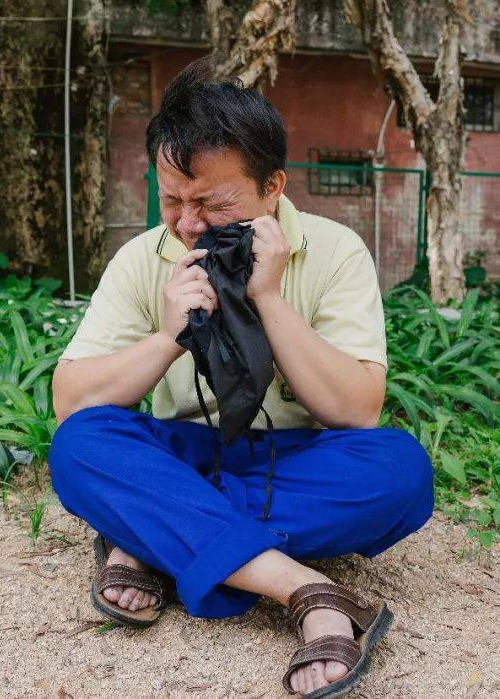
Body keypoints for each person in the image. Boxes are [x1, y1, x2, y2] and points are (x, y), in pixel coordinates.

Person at [48, 57, 432, 697]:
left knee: (401, 471)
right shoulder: (142, 257)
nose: (189, 223)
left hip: (297, 456)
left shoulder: (335, 252)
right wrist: (168, 335)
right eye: (173, 199)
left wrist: (272, 302)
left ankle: (154, 532)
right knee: (82, 447)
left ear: (274, 185)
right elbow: (74, 405)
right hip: (189, 451)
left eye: (213, 203)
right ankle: (306, 589)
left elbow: (357, 411)